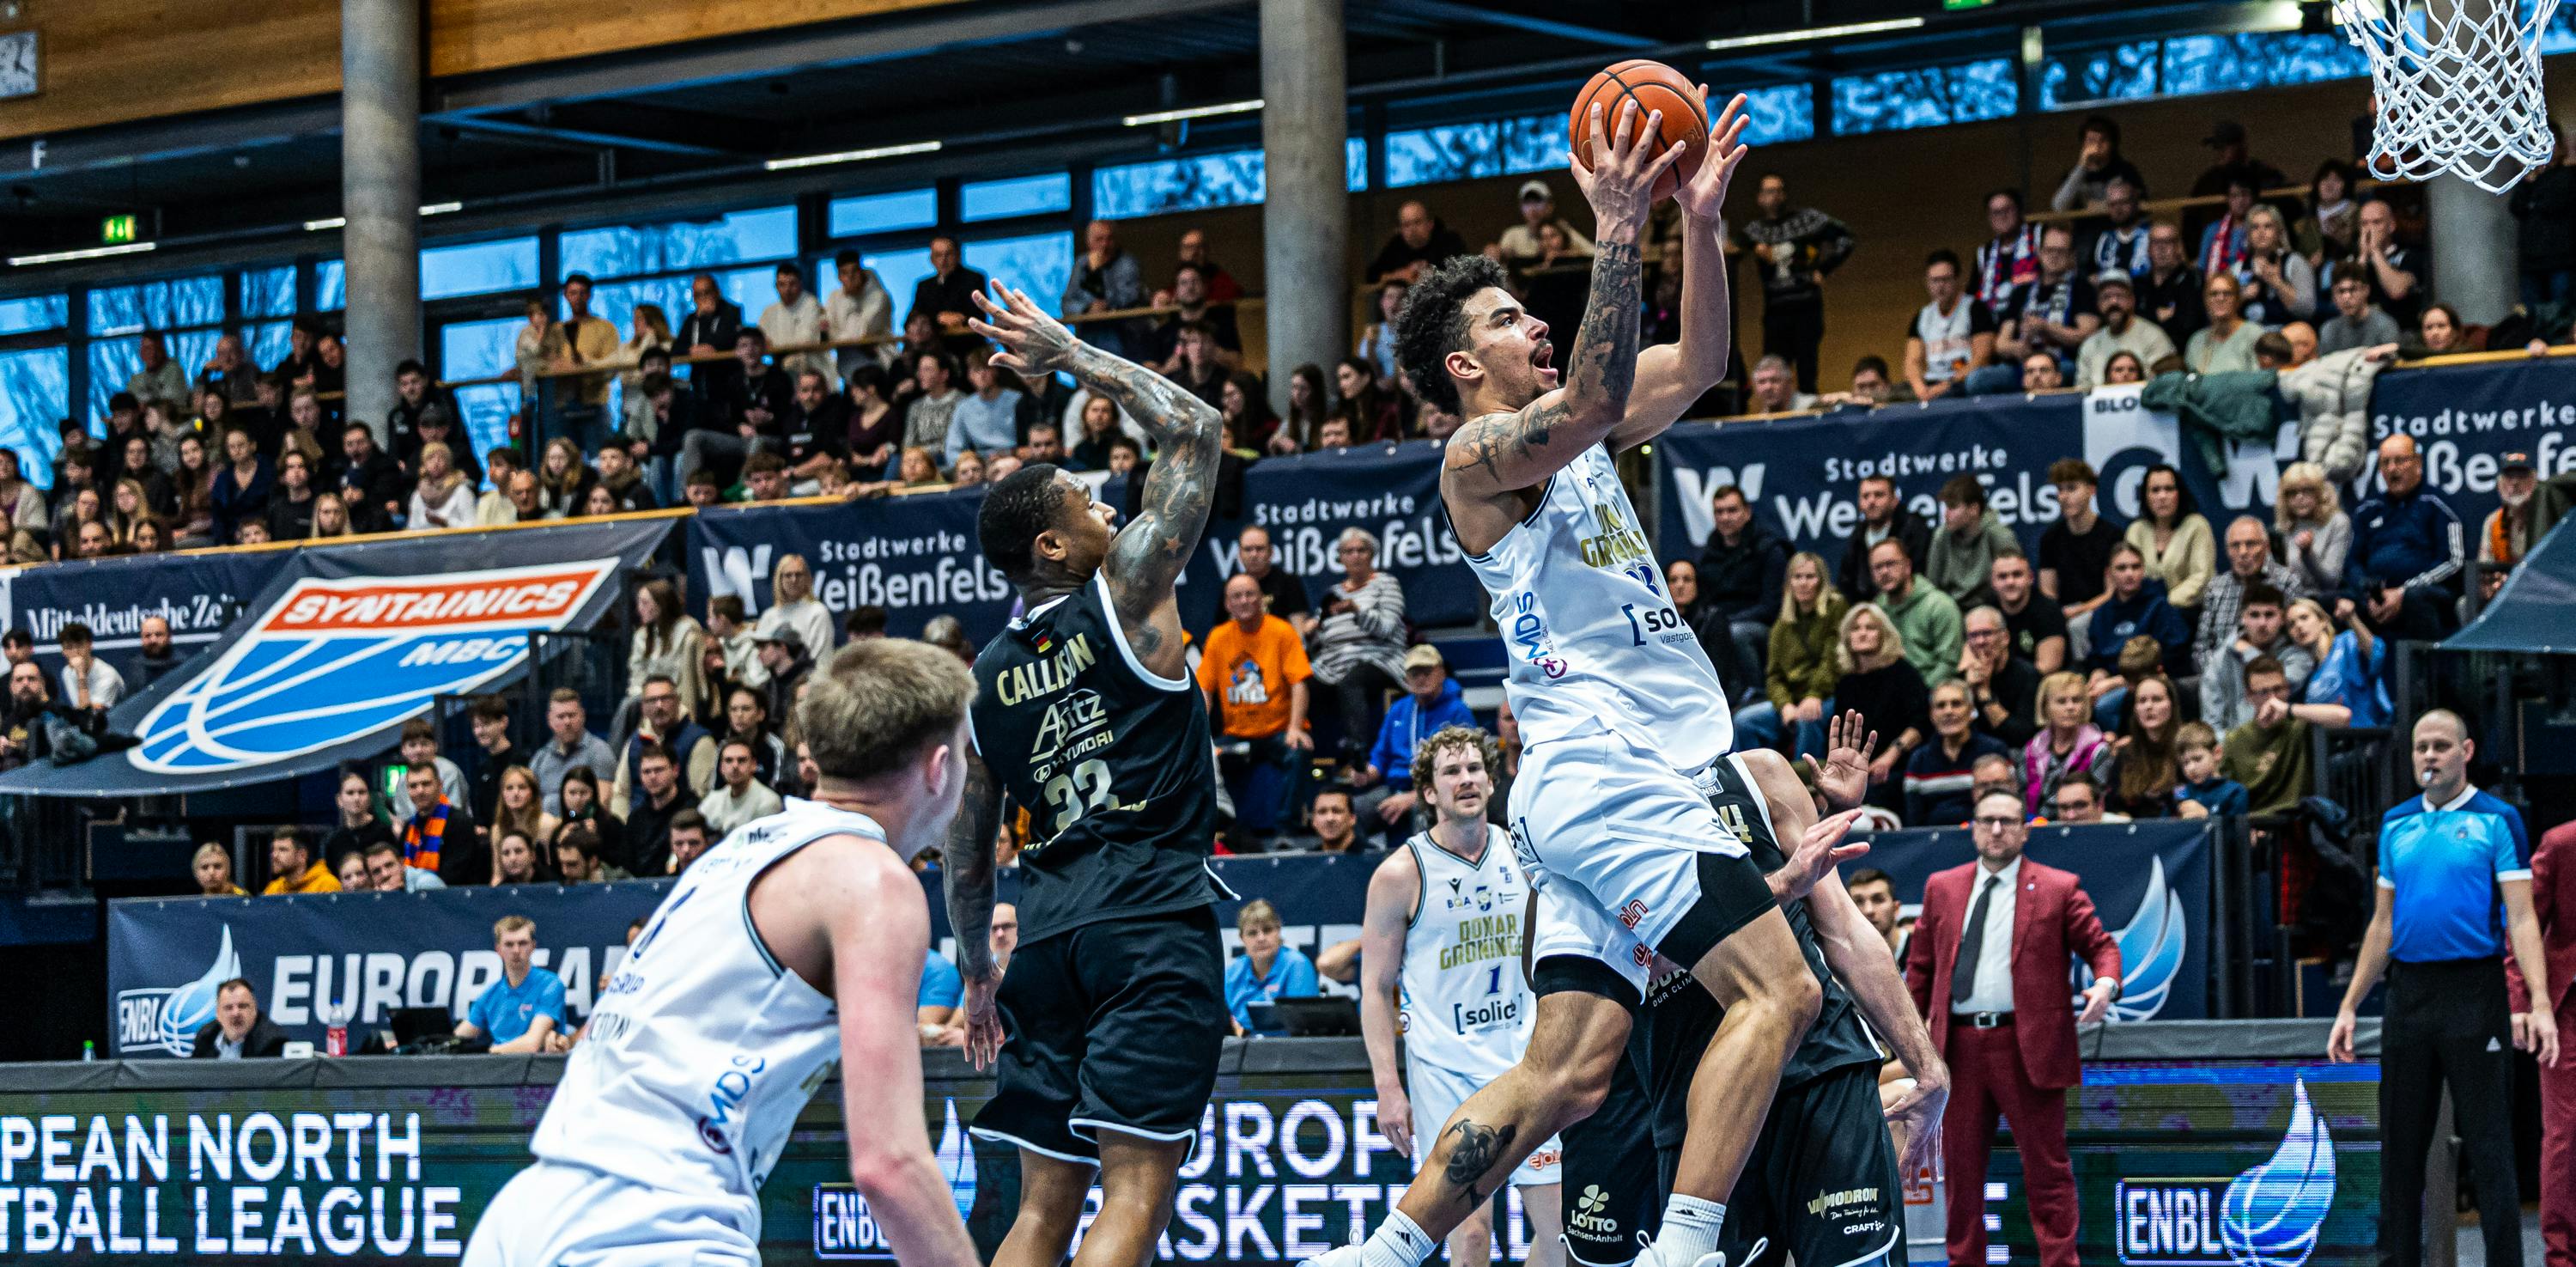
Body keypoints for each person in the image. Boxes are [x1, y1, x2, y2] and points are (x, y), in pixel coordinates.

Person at [1320, 94, 1878, 1267]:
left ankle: (1388, 1248)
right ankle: (1685, 1245)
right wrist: (1620, 227)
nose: (1536, 322)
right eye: (1511, 316)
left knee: (1566, 1072)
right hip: (1611, 771)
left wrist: (1701, 225)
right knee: (1783, 993)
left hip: (1589, 785)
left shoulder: (1583, 438)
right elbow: (1590, 398)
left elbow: (1705, 362)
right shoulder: (1475, 459)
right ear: (1464, 363)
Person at [467, 637, 982, 1263]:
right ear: (938, 767)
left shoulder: (743, 847)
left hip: (529, 1214)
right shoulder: (874, 880)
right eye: (964, 752)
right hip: (651, 1226)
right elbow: (890, 1164)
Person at [945, 278, 1236, 1267]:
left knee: (1040, 1210)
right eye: (1086, 499)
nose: (1109, 501)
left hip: (1047, 942)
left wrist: (977, 973)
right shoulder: (1128, 590)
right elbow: (1196, 429)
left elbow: (966, 854)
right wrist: (1070, 352)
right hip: (1148, 922)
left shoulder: (982, 680)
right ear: (1054, 544)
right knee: (1135, 1193)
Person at [1546, 719, 1942, 1267]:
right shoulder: (1580, 820)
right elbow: (1609, 969)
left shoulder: (1758, 775)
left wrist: (1927, 1065)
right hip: (1700, 1099)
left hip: (1821, 1067)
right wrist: (1779, 886)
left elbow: (1846, 932)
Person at [2330, 710, 2559, 1267]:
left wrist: (2540, 1002)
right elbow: (2382, 925)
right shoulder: (2396, 824)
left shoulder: (2498, 819)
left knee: (2490, 1145)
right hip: (2408, 996)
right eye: (2421, 747)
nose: (2429, 756)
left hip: (2475, 993)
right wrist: (2349, 1004)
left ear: (2467, 751)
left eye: (2441, 746)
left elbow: (2522, 918)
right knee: (2400, 1150)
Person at [1357, 726, 1564, 1267]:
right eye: (1451, 771)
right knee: (1470, 1237)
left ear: (1492, 782)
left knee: (1560, 1231)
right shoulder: (1399, 874)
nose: (1466, 779)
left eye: (1474, 768)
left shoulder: (1524, 852)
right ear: (1429, 792)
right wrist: (1387, 1087)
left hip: (1525, 1061)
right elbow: (1375, 989)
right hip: (1443, 1070)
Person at [1907, 788, 2121, 1267]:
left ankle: (2060, 1262)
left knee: (2048, 1170)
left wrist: (2105, 984)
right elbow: (1919, 969)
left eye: (2007, 821)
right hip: (1957, 1048)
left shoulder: (2058, 887)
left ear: (2026, 830)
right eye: (1987, 820)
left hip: (2028, 1047)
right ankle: (1965, 1262)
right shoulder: (1942, 887)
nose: (1997, 830)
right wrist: (1908, 1040)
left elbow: (2101, 945)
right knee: (1960, 1173)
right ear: (1973, 829)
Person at [1199, 572, 1315, 849]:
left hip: (1278, 733)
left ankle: (1286, 830)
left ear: (1262, 599)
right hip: (1237, 737)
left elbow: (1299, 683)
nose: (1244, 601)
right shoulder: (1218, 637)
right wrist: (1200, 735)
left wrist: (1295, 728)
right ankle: (1224, 831)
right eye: (1236, 596)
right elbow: (1204, 690)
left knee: (1299, 750)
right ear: (1227, 604)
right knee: (1201, 757)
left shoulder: (1282, 631)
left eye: (1250, 594)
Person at [2509, 807, 2576, 1267]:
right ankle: (2561, 1256)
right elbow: (2523, 926)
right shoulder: (2562, 843)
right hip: (2568, 1008)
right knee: (2564, 1134)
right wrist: (2524, 1003)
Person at [1734, 172, 1856, 393]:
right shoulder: (1756, 230)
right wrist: (1752, 247)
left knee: (1807, 371)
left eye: (1778, 191)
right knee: (1774, 371)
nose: (1774, 196)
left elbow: (1846, 237)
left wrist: (1824, 269)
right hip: (1776, 310)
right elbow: (1730, 248)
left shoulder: (1807, 219)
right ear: (1759, 198)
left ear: (1785, 195)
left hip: (1806, 306)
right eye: (1769, 191)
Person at [2342, 435, 2466, 640]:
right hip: (2375, 596)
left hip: (2425, 592)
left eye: (2400, 461)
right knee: (2336, 602)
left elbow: (2454, 561)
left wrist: (2402, 591)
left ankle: (2428, 661)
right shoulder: (2368, 509)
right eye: (2385, 463)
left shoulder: (2437, 504)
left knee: (2414, 598)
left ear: (2418, 463)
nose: (2392, 468)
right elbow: (2352, 562)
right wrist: (2369, 592)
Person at [1351, 645, 1478, 840]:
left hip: (1439, 790)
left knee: (1420, 812)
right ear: (1406, 678)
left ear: (1441, 673)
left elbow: (1463, 767)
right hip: (1395, 787)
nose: (1421, 678)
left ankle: (1419, 859)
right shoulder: (1398, 709)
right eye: (1415, 673)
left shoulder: (1458, 711)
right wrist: (1366, 774)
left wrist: (1414, 797)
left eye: (1427, 672)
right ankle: (1362, 858)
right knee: (1350, 811)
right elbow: (1381, 755)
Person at [1309, 527, 1410, 764]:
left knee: (1353, 680)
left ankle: (1358, 753)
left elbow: (1386, 628)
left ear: (1371, 554)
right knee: (1301, 683)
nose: (1355, 555)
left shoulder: (1386, 584)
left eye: (1361, 550)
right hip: (1332, 663)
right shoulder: (1333, 593)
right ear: (1341, 558)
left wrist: (1357, 610)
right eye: (1348, 551)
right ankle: (1306, 752)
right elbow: (1320, 637)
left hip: (1379, 659)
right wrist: (1310, 632)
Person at [1732, 551, 1844, 758]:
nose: (1803, 583)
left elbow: (1832, 661)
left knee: (1808, 718)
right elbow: (1774, 675)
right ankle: (1753, 777)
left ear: (1822, 581)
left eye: (1810, 577)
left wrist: (1814, 695)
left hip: (1828, 694)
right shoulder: (1783, 622)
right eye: (1797, 577)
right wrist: (1784, 705)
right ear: (1790, 582)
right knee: (1744, 720)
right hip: (1792, 699)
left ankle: (1804, 777)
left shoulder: (1836, 609)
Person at [1833, 604, 1932, 802]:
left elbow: (1920, 724)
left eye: (1870, 628)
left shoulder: (1903, 673)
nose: (1862, 633)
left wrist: (1889, 757)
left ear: (1883, 635)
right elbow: (1843, 732)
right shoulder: (1846, 683)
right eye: (1856, 628)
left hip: (1899, 764)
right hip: (1860, 767)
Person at [1696, 483, 1789, 688]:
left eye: (1732, 510)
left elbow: (1771, 606)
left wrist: (1725, 623)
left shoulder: (1770, 550)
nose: (1725, 517)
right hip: (1719, 623)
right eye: (1719, 511)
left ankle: (1754, 694)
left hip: (1761, 628)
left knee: (1736, 633)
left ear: (1747, 512)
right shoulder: (1709, 555)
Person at [1905, 680, 2012, 826]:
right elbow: (1914, 820)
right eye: (1940, 706)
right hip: (1933, 839)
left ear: (1972, 711)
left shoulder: (1995, 750)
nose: (1948, 711)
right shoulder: (1919, 759)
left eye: (1956, 704)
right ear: (1931, 715)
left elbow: (2009, 805)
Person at [2220, 658, 2316, 815]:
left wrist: (2289, 709)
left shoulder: (2299, 726)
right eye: (2263, 692)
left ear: (2288, 689)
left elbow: (2343, 716)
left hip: (2293, 819)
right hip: (2252, 822)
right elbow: (2226, 795)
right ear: (2249, 696)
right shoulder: (2234, 739)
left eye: (2278, 689)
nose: (2272, 699)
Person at [1901, 248, 1997, 402]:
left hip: (1960, 382)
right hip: (1930, 383)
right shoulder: (1922, 316)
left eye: (1945, 280)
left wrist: (1945, 386)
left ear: (1958, 280)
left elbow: (1982, 358)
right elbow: (1912, 361)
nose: (1940, 286)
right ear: (1927, 283)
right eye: (1935, 280)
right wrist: (1920, 388)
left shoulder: (1975, 309)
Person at [1870, 538, 1963, 688]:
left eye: (1890, 564)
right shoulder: (1875, 610)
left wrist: (1919, 692)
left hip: (1931, 690)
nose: (1884, 572)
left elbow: (1949, 663)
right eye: (1878, 567)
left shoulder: (1939, 605)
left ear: (1908, 566)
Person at [2287, 596, 2387, 728]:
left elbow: (2376, 654)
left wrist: (2351, 618)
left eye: (2304, 618)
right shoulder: (2308, 677)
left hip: (2366, 734)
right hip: (2331, 740)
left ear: (2323, 620)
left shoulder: (2346, 642)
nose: (2298, 626)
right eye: (2291, 624)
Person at [1224, 898, 1321, 1032]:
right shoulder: (1232, 973)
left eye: (1267, 930)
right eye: (1252, 933)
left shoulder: (1297, 965)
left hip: (1289, 1045)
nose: (1261, 938)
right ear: (1242, 938)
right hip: (1244, 1044)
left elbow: (1303, 1026)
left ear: (1278, 930)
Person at [1924, 474, 2018, 610]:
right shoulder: (1941, 536)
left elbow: (2014, 583)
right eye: (1946, 507)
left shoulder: (2000, 536)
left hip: (1992, 608)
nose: (1946, 514)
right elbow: (1932, 588)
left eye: (1952, 507)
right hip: (1952, 610)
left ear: (1974, 509)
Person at [1835, 474, 1929, 603]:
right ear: (1859, 503)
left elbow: (1921, 575)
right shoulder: (1857, 536)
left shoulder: (1913, 530)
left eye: (1879, 495)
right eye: (1866, 496)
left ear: (1894, 500)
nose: (1871, 501)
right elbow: (1846, 584)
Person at [2074, 271, 2176, 388]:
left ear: (2132, 300)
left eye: (2120, 296)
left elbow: (2163, 386)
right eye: (2106, 297)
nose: (2113, 302)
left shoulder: (2154, 337)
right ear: (2098, 303)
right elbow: (2081, 390)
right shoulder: (2090, 345)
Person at [1960, 604, 2040, 748]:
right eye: (1973, 635)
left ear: (2005, 637)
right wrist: (1969, 689)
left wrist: (1984, 693)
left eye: (1987, 633)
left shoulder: (2027, 675)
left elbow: (2022, 736)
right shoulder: (1962, 676)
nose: (1980, 641)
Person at [529, 688, 617, 816]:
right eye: (561, 717)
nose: (567, 722)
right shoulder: (540, 759)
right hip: (544, 825)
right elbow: (531, 804)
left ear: (582, 715)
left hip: (585, 825)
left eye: (572, 715)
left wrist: (570, 824)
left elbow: (601, 804)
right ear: (550, 719)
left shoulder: (599, 752)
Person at [401, 761, 486, 887]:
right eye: (413, 786)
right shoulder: (409, 827)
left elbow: (455, 875)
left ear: (440, 785)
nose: (420, 791)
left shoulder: (460, 823)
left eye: (426, 784)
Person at [752, 552, 836, 670]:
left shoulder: (818, 612)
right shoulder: (769, 616)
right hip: (772, 681)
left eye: (798, 574)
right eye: (788, 575)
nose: (794, 580)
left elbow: (822, 661)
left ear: (807, 578)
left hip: (809, 679)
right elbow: (757, 663)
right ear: (779, 579)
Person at [1990, 551, 2067, 676]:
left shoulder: (2049, 611)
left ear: (2030, 578)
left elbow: (2049, 667)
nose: (2010, 582)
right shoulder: (1987, 612)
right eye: (2002, 577)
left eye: (2017, 575)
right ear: (1993, 582)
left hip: (2041, 682)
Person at [2052, 115, 2147, 211]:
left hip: (2117, 221)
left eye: (2103, 140)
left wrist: (2101, 206)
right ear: (2083, 144)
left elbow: (2141, 201)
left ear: (2112, 144)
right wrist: (2081, 167)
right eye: (2091, 140)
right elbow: (2059, 207)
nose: (2097, 146)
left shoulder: (2125, 170)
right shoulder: (2073, 174)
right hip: (2085, 222)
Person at [1368, 200, 1473, 284]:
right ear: (1400, 229)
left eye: (1417, 222)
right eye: (1406, 225)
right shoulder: (1395, 246)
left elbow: (1467, 270)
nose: (1412, 229)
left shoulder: (1449, 240)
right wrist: (1400, 275)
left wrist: (1431, 272)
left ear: (1430, 223)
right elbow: (1372, 275)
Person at [700, 738, 786, 838]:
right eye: (729, 760)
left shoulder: (768, 802)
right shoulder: (713, 799)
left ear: (754, 765)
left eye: (742, 760)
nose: (735, 766)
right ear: (721, 767)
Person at [190, 979, 289, 1059]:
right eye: (228, 1008)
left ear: (254, 1009)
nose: (236, 1013)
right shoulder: (206, 1037)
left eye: (242, 1006)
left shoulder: (270, 1041)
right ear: (218, 1014)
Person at [2169, 722, 2250, 819]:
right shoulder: (2181, 792)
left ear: (2217, 753)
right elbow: (2161, 825)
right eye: (2185, 763)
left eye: (2197, 759)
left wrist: (2207, 816)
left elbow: (2236, 828)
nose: (2191, 768)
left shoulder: (2235, 792)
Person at [55, 622, 125, 713]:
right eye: (69, 647)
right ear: (63, 651)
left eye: (80, 646)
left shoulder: (108, 674)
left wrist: (81, 674)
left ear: (90, 645)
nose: (76, 652)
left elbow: (87, 712)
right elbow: (80, 711)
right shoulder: (67, 672)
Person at [261, 826, 340, 895]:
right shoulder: (273, 889)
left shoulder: (326, 885)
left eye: (283, 850)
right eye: (273, 850)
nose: (274, 855)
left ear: (302, 855)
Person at [366, 840, 447, 892]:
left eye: (389, 865)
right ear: (371, 878)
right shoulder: (377, 894)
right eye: (376, 871)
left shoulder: (426, 882)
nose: (385, 874)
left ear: (402, 864)